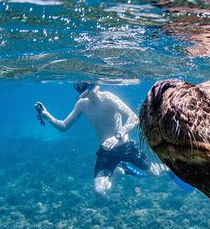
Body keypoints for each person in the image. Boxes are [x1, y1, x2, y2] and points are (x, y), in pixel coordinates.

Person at [35, 81, 166, 197]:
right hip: (106, 151)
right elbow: (64, 126)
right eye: (79, 86)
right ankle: (118, 171)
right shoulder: (81, 104)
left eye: (83, 84)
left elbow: (133, 117)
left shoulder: (108, 98)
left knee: (155, 174)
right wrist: (47, 116)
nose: (79, 88)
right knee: (99, 192)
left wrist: (117, 137)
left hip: (126, 147)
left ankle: (165, 167)